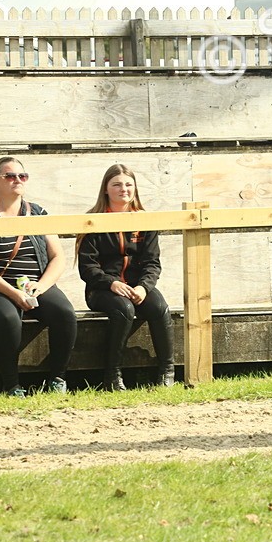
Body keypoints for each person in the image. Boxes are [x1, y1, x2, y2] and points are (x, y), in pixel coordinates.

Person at [0, 157, 76, 396]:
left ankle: (57, 379)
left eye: (22, 176)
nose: (17, 180)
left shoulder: (38, 212)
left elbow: (58, 258)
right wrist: (12, 292)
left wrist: (41, 287)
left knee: (64, 313)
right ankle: (11, 385)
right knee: (8, 318)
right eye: (10, 176)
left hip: (35, 283)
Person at [77, 164, 174, 390]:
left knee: (159, 307)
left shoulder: (144, 220)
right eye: (117, 185)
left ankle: (167, 371)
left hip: (136, 286)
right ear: (106, 189)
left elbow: (152, 263)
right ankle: (112, 375)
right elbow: (87, 267)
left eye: (129, 184)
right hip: (102, 289)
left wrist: (143, 287)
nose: (124, 189)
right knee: (124, 309)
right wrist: (111, 283)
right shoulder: (92, 220)